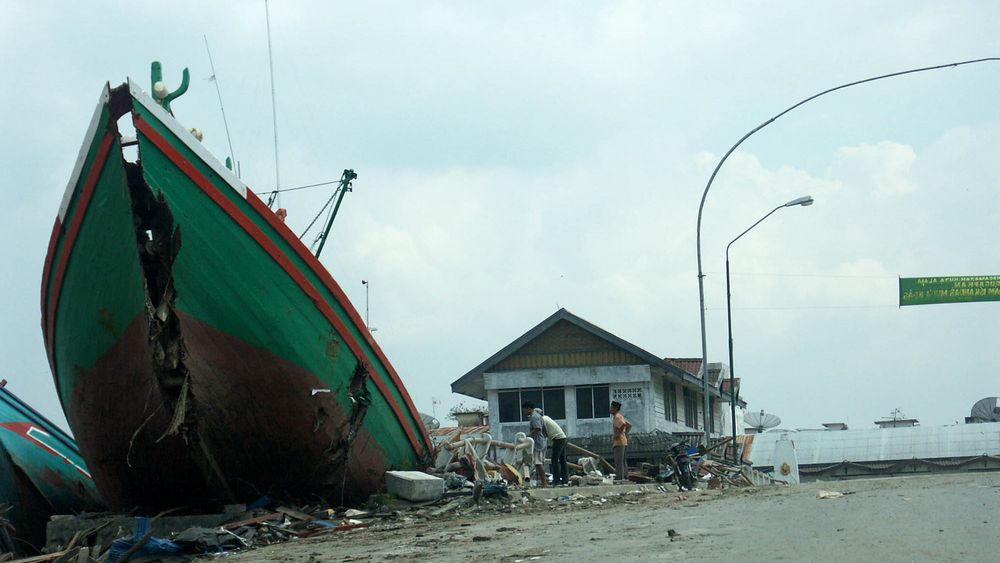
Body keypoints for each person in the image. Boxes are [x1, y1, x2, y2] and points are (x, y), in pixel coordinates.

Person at [523, 401, 548, 487]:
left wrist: (527, 437)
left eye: (525, 410)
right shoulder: (538, 416)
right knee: (538, 463)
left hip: (537, 443)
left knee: (538, 463)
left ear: (529, 408)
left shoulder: (534, 417)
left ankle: (544, 483)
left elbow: (537, 428)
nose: (524, 412)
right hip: (540, 442)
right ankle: (541, 482)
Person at [542, 411, 568, 485]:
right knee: (562, 460)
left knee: (554, 459)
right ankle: (565, 480)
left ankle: (556, 480)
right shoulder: (546, 417)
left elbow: (543, 434)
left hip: (558, 439)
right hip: (562, 437)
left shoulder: (542, 420)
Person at [610, 401, 632, 481]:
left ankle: (620, 477)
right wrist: (625, 433)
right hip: (624, 441)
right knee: (623, 460)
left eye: (611, 408)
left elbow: (623, 424)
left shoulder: (617, 417)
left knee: (618, 461)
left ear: (615, 409)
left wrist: (618, 434)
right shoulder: (620, 416)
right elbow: (629, 425)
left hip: (619, 442)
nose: (610, 409)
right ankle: (625, 476)